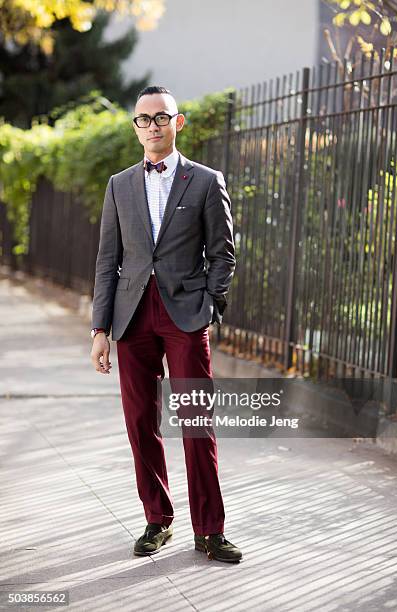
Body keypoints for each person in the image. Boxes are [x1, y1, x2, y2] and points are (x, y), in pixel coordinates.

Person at [90, 85, 242, 563]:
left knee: (196, 421)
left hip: (185, 314)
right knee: (140, 422)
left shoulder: (204, 181)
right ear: (135, 126)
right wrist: (99, 329)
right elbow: (107, 259)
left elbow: (223, 253)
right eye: (143, 118)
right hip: (131, 316)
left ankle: (210, 530)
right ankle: (158, 519)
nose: (152, 125)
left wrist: (210, 305)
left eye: (161, 117)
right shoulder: (118, 185)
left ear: (178, 123)